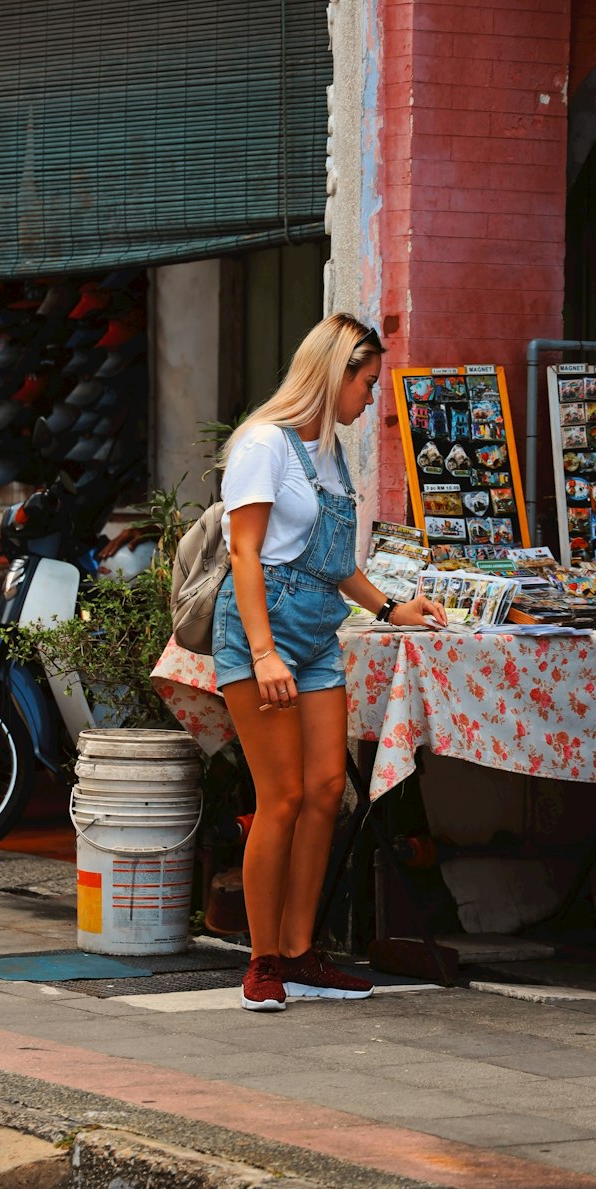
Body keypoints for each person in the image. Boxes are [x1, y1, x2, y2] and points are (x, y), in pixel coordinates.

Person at [212, 313, 447, 1012]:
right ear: (335, 372)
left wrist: (388, 608)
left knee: (324, 794)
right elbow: (244, 554)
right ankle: (261, 965)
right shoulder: (265, 445)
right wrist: (262, 653)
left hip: (318, 636)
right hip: (264, 632)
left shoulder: (330, 452)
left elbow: (337, 564)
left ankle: (300, 950)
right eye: (368, 383)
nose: (371, 398)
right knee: (279, 798)